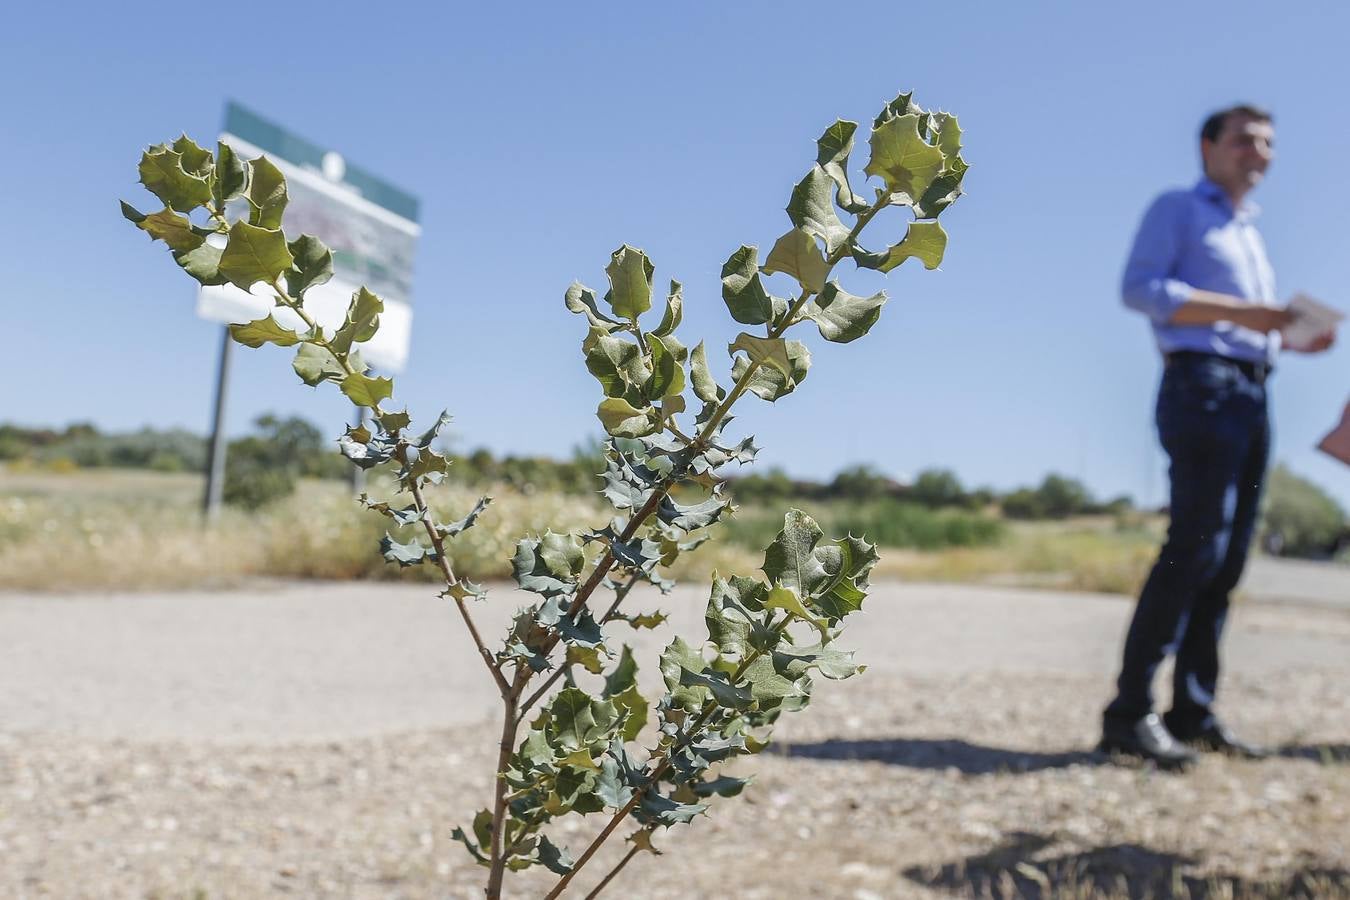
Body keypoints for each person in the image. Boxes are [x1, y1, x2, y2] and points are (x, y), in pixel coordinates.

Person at [1101, 104, 1335, 768]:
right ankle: (1129, 712)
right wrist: (1249, 315)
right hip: (1200, 386)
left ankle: (1192, 711)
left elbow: (1250, 324)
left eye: (1267, 143)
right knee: (1193, 548)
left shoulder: (1248, 232)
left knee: (1228, 560)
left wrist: (1289, 336)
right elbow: (1139, 289)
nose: (1257, 152)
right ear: (1208, 147)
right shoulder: (1179, 208)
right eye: (1243, 140)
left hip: (1252, 390)